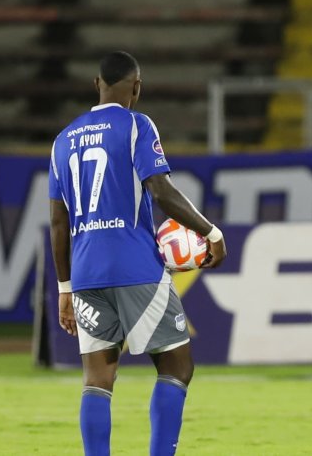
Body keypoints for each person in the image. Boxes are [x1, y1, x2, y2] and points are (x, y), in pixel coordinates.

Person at [48, 51, 228, 456]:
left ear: (97, 84)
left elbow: (58, 223)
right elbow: (161, 190)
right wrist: (210, 232)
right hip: (136, 268)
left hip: (87, 273)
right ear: (137, 87)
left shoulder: (63, 140)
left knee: (97, 378)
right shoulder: (136, 125)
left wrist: (65, 287)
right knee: (177, 366)